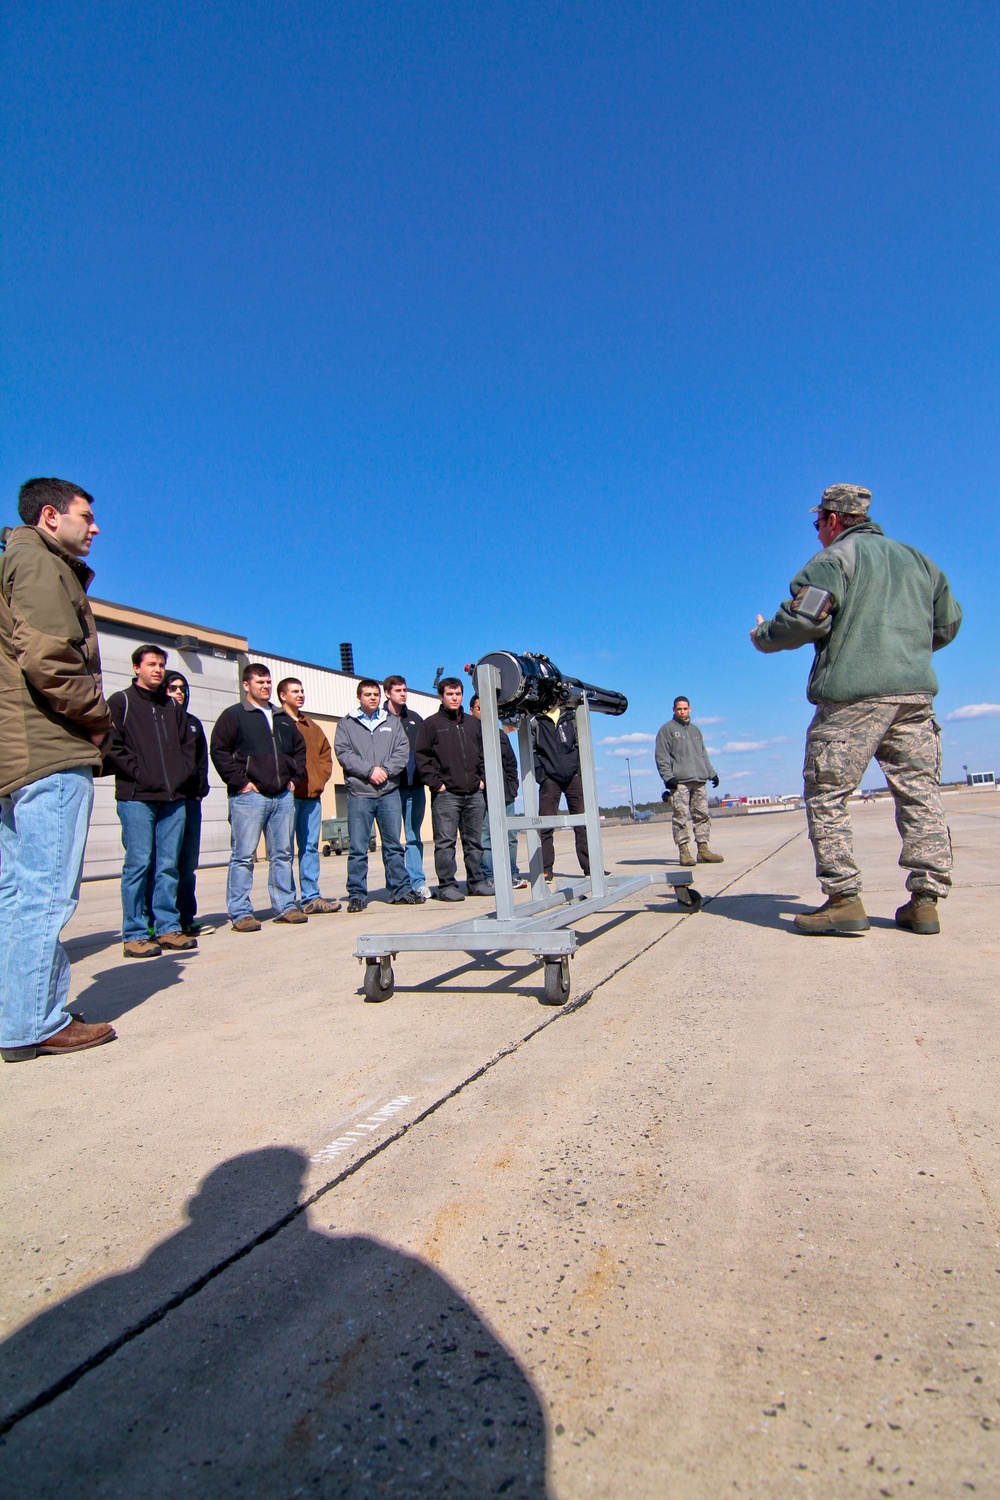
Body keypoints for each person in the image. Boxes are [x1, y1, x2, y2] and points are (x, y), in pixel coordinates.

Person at [752, 483, 962, 936]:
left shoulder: (834, 561)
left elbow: (807, 618)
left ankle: (844, 898)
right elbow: (945, 626)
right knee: (919, 794)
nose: (818, 534)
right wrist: (902, 649)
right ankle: (925, 902)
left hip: (853, 699)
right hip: (914, 699)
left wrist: (764, 635)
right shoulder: (921, 562)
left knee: (827, 793)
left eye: (818, 524)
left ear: (832, 519)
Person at [0, 477, 116, 1061]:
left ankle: (19, 1015)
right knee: (44, 894)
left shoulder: (12, 562)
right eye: (85, 516)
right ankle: (33, 1023)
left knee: (16, 895)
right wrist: (97, 719)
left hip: (13, 753)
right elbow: (50, 657)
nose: (94, 527)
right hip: (45, 748)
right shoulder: (41, 565)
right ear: (50, 516)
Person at [106, 647, 198, 957]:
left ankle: (168, 928)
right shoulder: (122, 702)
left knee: (168, 866)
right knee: (138, 864)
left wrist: (179, 775)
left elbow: (189, 747)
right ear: (136, 668)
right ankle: (134, 933)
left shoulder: (171, 706)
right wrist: (139, 774)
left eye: (161, 665)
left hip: (173, 798)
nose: (157, 670)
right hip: (137, 797)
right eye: (151, 664)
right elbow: (111, 745)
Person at [210, 664, 307, 932]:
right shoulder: (234, 716)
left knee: (283, 853)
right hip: (249, 798)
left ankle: (285, 905)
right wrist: (241, 783)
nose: (265, 686)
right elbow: (219, 751)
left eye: (268, 682)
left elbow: (300, 751)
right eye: (259, 682)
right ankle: (241, 911)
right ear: (246, 685)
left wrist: (294, 780)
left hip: (282, 797)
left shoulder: (282, 717)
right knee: (243, 855)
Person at [333, 680, 415, 913]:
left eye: (376, 694)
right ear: (358, 697)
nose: (372, 698)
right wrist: (369, 771)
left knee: (393, 845)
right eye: (367, 694)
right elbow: (343, 752)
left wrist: (386, 771)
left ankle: (399, 890)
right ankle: (357, 894)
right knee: (358, 848)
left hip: (388, 792)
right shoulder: (346, 724)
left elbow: (402, 750)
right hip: (360, 793)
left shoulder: (391, 722)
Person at [414, 677, 492, 901]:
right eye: (450, 694)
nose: (454, 697)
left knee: (474, 842)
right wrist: (437, 784)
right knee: (446, 843)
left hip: (474, 794)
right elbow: (422, 757)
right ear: (441, 696)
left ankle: (476, 882)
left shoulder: (472, 724)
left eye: (458, 693)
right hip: (447, 795)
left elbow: (484, 753)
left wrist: (483, 779)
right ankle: (447, 885)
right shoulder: (431, 725)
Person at [276, 677, 341, 915]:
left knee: (310, 847)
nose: (300, 694)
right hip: (286, 797)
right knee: (283, 850)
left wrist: (320, 779)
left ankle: (311, 896)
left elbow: (326, 754)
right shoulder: (276, 723)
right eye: (295, 691)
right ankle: (287, 900)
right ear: (282, 696)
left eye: (302, 690)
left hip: (311, 797)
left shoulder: (311, 726)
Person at [161, 672, 211, 935]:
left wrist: (200, 789)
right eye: (173, 688)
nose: (179, 692)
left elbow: (201, 760)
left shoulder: (193, 724)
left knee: (187, 864)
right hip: (166, 800)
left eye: (183, 688)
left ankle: (186, 917)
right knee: (163, 863)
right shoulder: (157, 721)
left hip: (191, 800)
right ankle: (159, 920)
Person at [654, 697, 724, 866]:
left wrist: (711, 773)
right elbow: (661, 756)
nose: (682, 712)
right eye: (679, 709)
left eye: (685, 708)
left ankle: (703, 849)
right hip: (680, 782)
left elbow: (703, 754)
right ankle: (684, 851)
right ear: (674, 709)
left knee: (702, 816)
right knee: (681, 816)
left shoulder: (695, 731)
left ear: (690, 709)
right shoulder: (667, 730)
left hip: (699, 780)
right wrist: (668, 777)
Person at [469, 693, 527, 888]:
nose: (484, 713)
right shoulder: (469, 733)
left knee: (510, 836)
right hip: (482, 795)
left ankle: (512, 873)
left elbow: (511, 763)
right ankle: (489, 876)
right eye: (480, 708)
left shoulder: (500, 734)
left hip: (505, 794)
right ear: (472, 710)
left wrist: (512, 786)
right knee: (485, 836)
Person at [383, 674, 430, 900]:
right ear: (387, 693)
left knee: (413, 836)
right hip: (390, 788)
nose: (403, 694)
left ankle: (417, 881)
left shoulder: (415, 719)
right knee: (392, 839)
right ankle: (395, 883)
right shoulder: (379, 720)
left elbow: (424, 751)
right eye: (398, 690)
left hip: (415, 786)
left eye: (404, 690)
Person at [532, 702, 590, 883]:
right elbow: (533, 750)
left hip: (573, 776)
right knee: (546, 825)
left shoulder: (571, 717)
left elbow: (581, 744)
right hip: (550, 779)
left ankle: (591, 868)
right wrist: (542, 775)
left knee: (583, 823)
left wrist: (578, 772)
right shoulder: (535, 721)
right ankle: (546, 870)